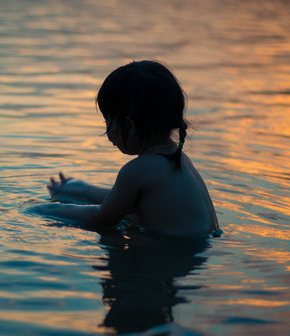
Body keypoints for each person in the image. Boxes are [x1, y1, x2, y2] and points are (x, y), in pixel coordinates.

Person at [35, 60, 220, 237]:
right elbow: (124, 199)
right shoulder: (179, 161)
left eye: (107, 121)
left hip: (166, 256)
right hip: (197, 254)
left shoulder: (137, 170)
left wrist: (44, 210)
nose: (107, 132)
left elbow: (103, 218)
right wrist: (79, 189)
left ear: (129, 126)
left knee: (113, 238)